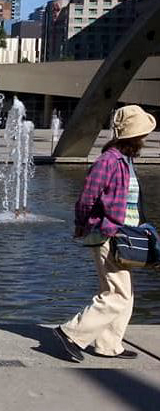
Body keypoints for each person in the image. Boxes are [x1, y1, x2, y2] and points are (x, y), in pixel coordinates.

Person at [55, 105, 156, 362]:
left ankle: (109, 345)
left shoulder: (125, 161)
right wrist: (81, 224)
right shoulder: (108, 161)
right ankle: (71, 332)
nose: (145, 139)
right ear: (133, 136)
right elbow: (87, 197)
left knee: (122, 294)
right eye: (142, 135)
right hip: (108, 234)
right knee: (117, 294)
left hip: (125, 235)